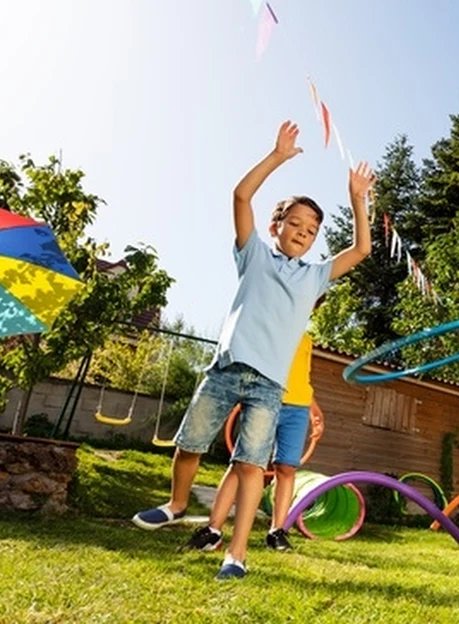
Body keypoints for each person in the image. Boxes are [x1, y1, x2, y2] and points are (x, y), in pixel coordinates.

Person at [131, 121, 373, 581]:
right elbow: (241, 197)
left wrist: (356, 198)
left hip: (268, 386)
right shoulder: (254, 254)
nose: (303, 231)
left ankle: (236, 553)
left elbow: (361, 249)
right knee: (188, 445)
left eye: (312, 228)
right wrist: (277, 156)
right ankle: (178, 504)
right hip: (225, 369)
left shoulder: (315, 276)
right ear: (276, 226)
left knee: (249, 468)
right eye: (295, 223)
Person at [181, 297, 326, 554]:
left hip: (298, 408)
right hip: (267, 401)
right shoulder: (269, 330)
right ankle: (213, 530)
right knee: (242, 464)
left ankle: (277, 532)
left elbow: (302, 377)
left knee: (286, 468)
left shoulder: (306, 340)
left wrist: (314, 409)